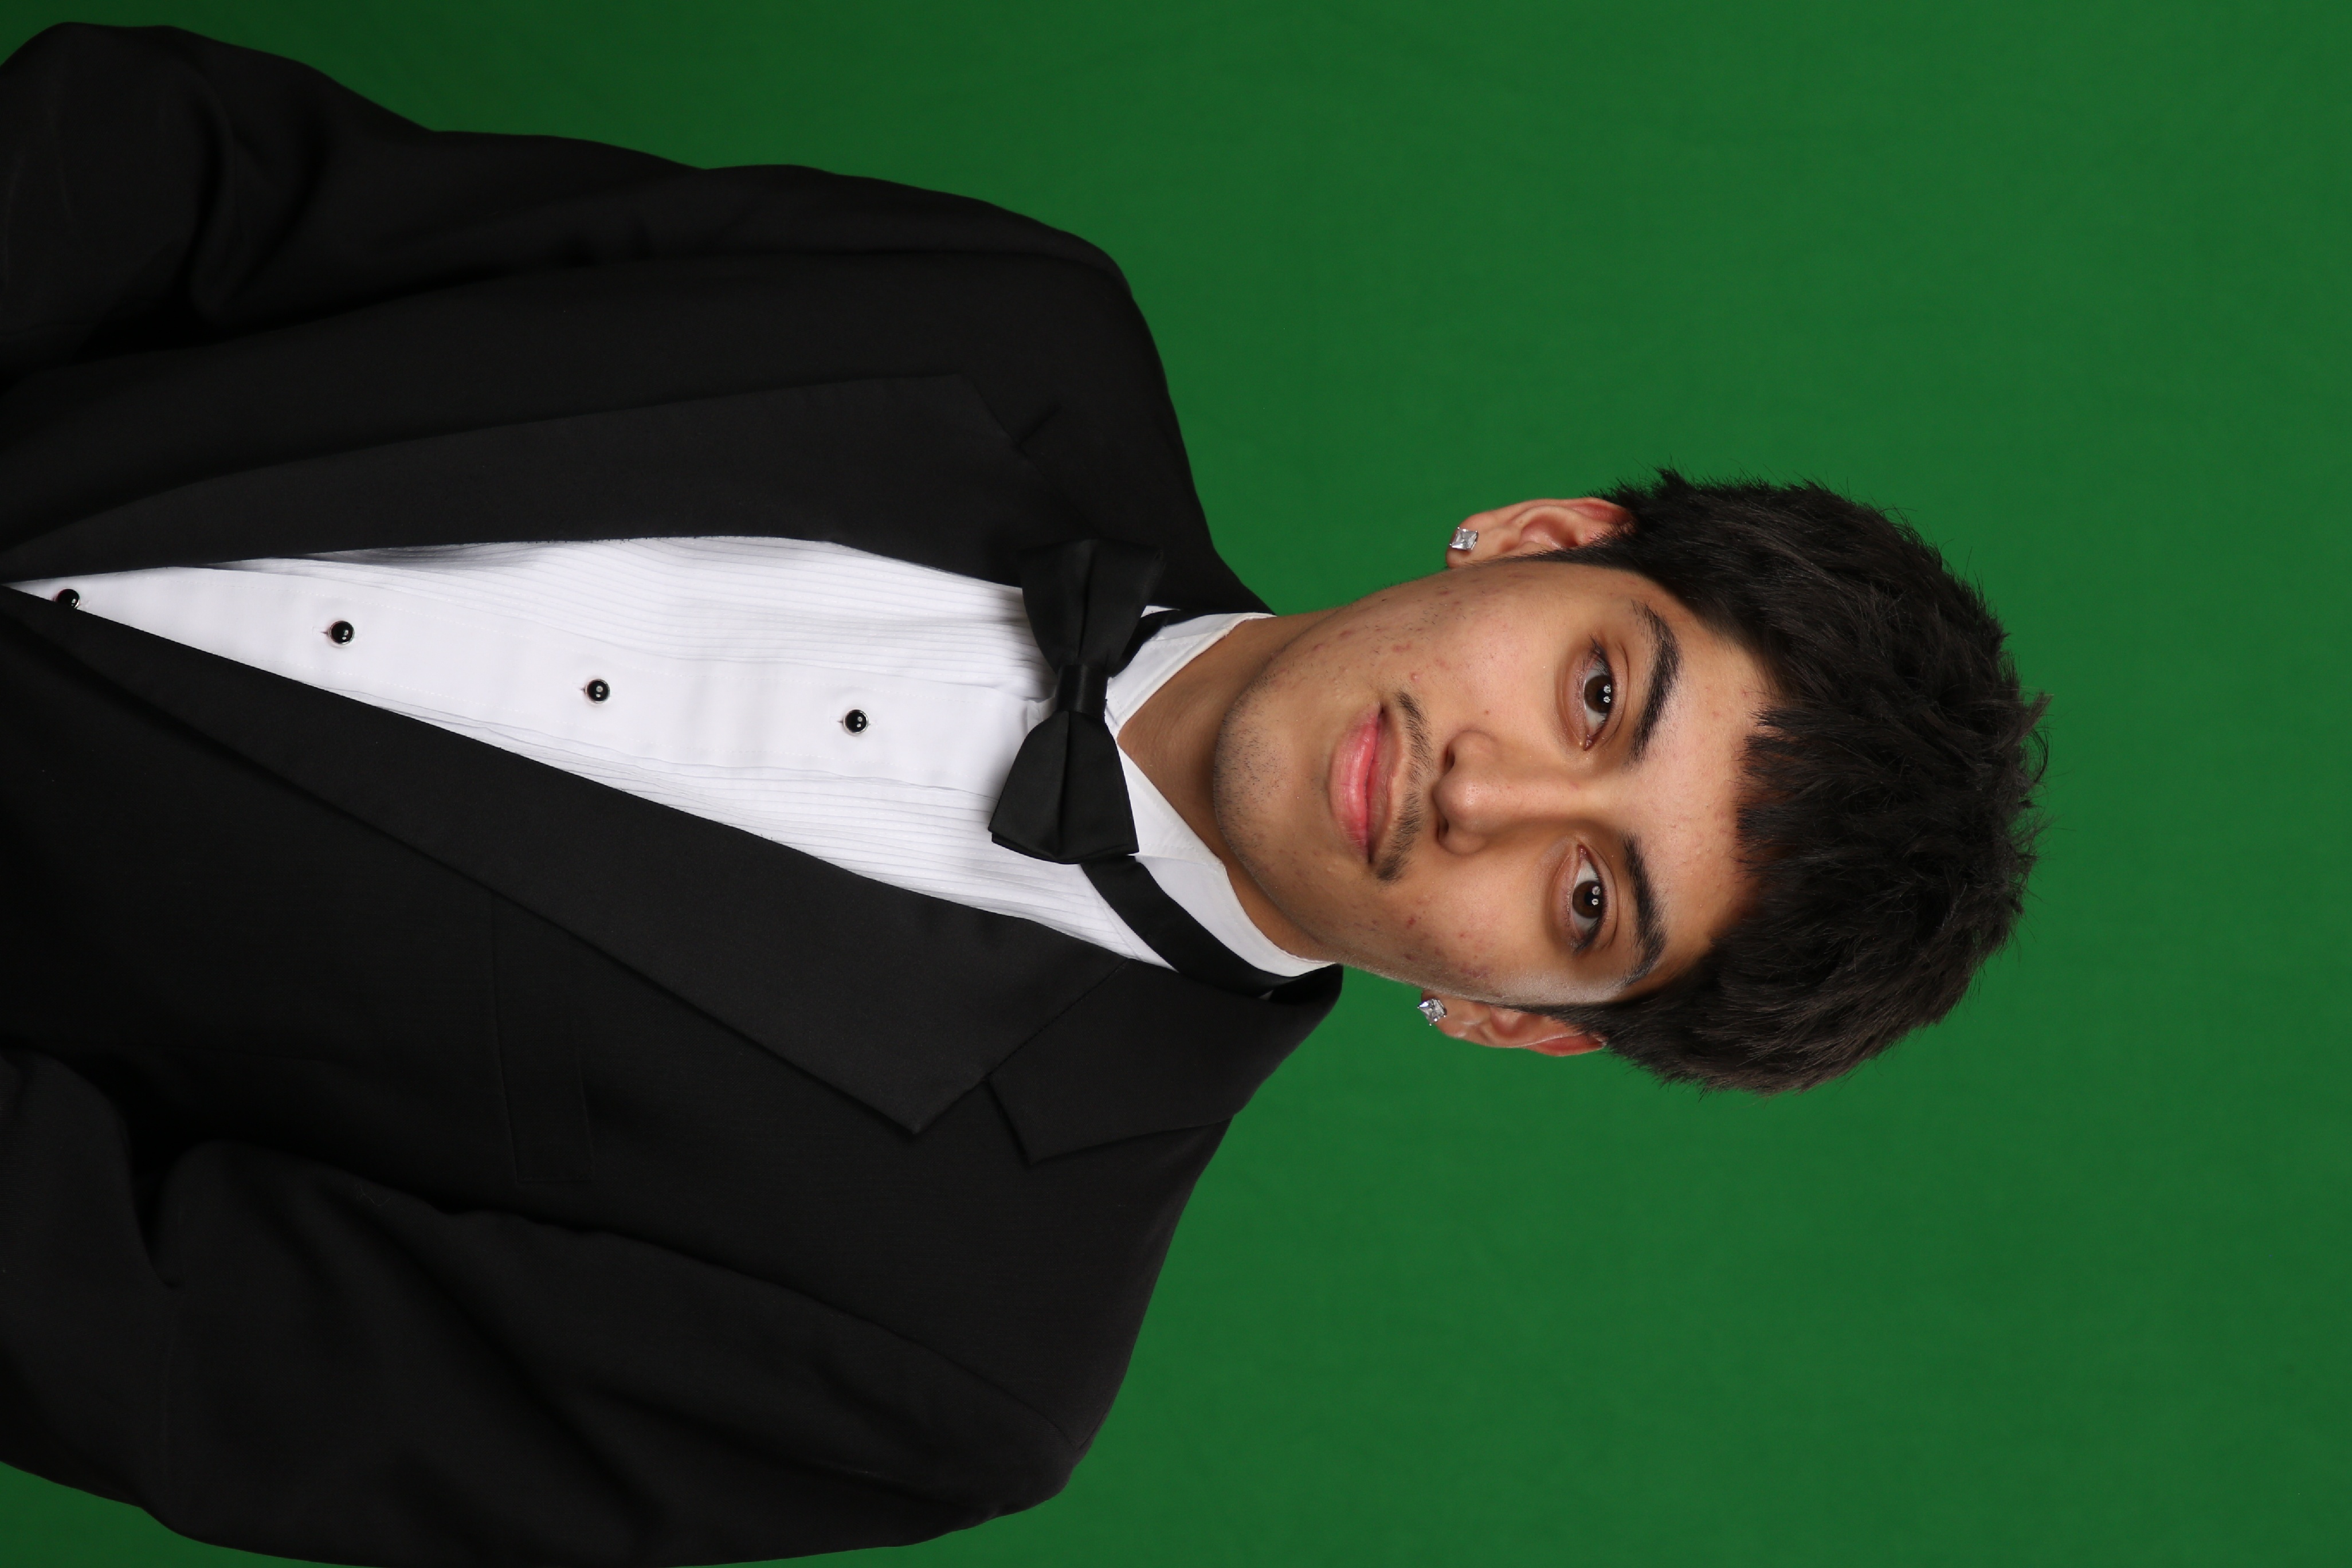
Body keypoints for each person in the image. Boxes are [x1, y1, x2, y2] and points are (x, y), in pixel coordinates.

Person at [0, 22, 2045, 1568]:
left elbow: (144, 1337)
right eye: (1600, 691)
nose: (1489, 792)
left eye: (1589, 901)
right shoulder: (1004, 322)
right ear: (1540, 538)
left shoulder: (953, 1359)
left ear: (1520, 1020)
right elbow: (225, 191)